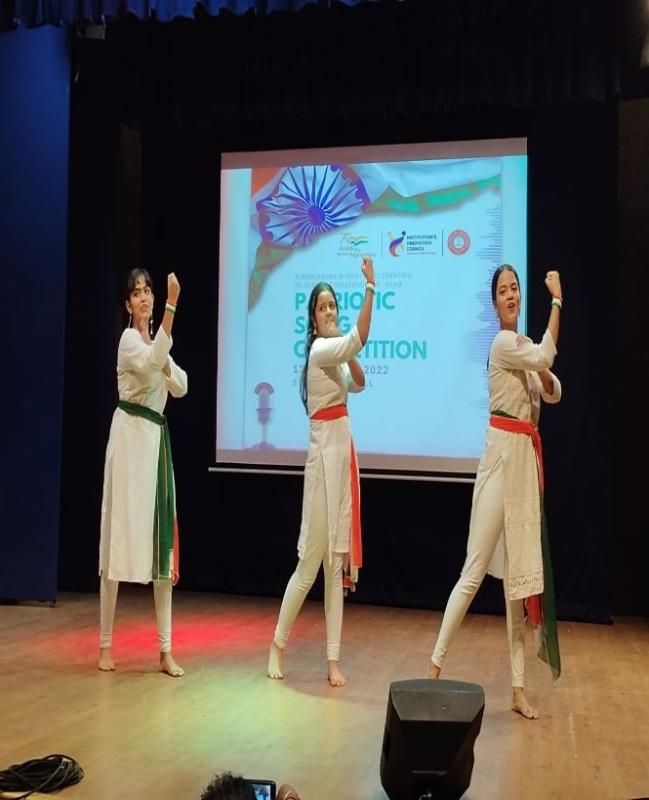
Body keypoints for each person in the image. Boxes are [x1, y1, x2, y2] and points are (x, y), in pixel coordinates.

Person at [428, 265, 563, 719]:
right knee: (473, 571)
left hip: (523, 462)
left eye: (514, 288)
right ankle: (433, 668)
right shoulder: (504, 343)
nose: (510, 295)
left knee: (517, 586)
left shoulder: (520, 347)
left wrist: (545, 376)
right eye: (503, 290)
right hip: (502, 456)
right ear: (494, 302)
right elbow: (545, 355)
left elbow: (553, 390)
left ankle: (518, 689)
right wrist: (557, 300)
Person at [268, 256, 376, 687]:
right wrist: (371, 288)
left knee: (335, 565)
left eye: (333, 305)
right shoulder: (318, 351)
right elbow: (359, 339)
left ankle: (332, 660)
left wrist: (346, 344)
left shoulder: (334, 354)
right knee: (309, 565)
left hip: (341, 462)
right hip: (322, 468)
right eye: (323, 308)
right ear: (312, 320)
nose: (329, 311)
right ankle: (277, 645)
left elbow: (360, 382)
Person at [98, 269, 187, 677]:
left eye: (148, 290)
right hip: (129, 440)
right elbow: (153, 362)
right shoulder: (128, 341)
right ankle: (105, 644)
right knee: (116, 540)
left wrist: (164, 359)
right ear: (128, 304)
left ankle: (165, 650)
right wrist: (172, 305)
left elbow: (181, 385)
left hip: (153, 445)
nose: (144, 297)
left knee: (161, 547)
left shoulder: (155, 344)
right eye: (137, 293)